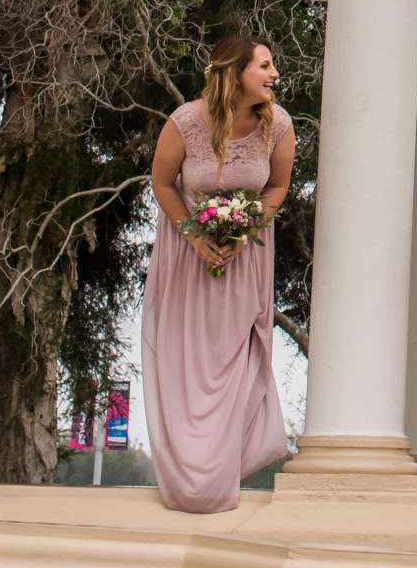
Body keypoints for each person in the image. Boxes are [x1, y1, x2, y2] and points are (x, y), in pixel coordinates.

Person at [141, 33, 293, 512]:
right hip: (188, 259)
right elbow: (162, 182)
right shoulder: (186, 121)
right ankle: (188, 476)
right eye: (265, 66)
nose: (274, 75)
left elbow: (278, 186)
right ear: (235, 71)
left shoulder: (279, 125)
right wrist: (193, 235)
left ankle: (218, 471)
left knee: (236, 362)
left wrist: (248, 229)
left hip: (245, 260)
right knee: (188, 361)